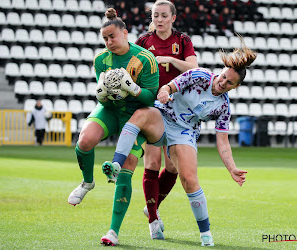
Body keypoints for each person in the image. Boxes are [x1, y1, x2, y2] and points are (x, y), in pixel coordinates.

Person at [102, 35, 257, 246]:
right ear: (219, 72)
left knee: (189, 179)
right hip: (163, 117)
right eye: (222, 77)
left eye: (229, 83)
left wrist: (232, 168)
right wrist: (165, 92)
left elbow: (223, 141)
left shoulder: (223, 107)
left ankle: (206, 234)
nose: (222, 83)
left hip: (184, 133)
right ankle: (117, 164)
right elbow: (169, 87)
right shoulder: (199, 75)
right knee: (140, 115)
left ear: (235, 87)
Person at [68, 5, 159, 229]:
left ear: (125, 33)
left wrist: (133, 89)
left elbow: (150, 99)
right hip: (111, 110)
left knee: (127, 168)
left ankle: (113, 231)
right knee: (84, 141)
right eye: (105, 38)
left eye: (112, 36)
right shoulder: (101, 60)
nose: (109, 42)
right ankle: (87, 182)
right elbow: (103, 100)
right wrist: (103, 95)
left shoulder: (145, 59)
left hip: (136, 115)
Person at [134, 0, 198, 239]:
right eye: (155, 15)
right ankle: (153, 220)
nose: (159, 19)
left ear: (173, 17)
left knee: (172, 166)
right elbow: (132, 67)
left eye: (163, 15)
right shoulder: (142, 42)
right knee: (152, 161)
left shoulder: (182, 41)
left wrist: (170, 61)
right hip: (151, 106)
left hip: (177, 109)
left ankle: (152, 207)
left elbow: (193, 69)